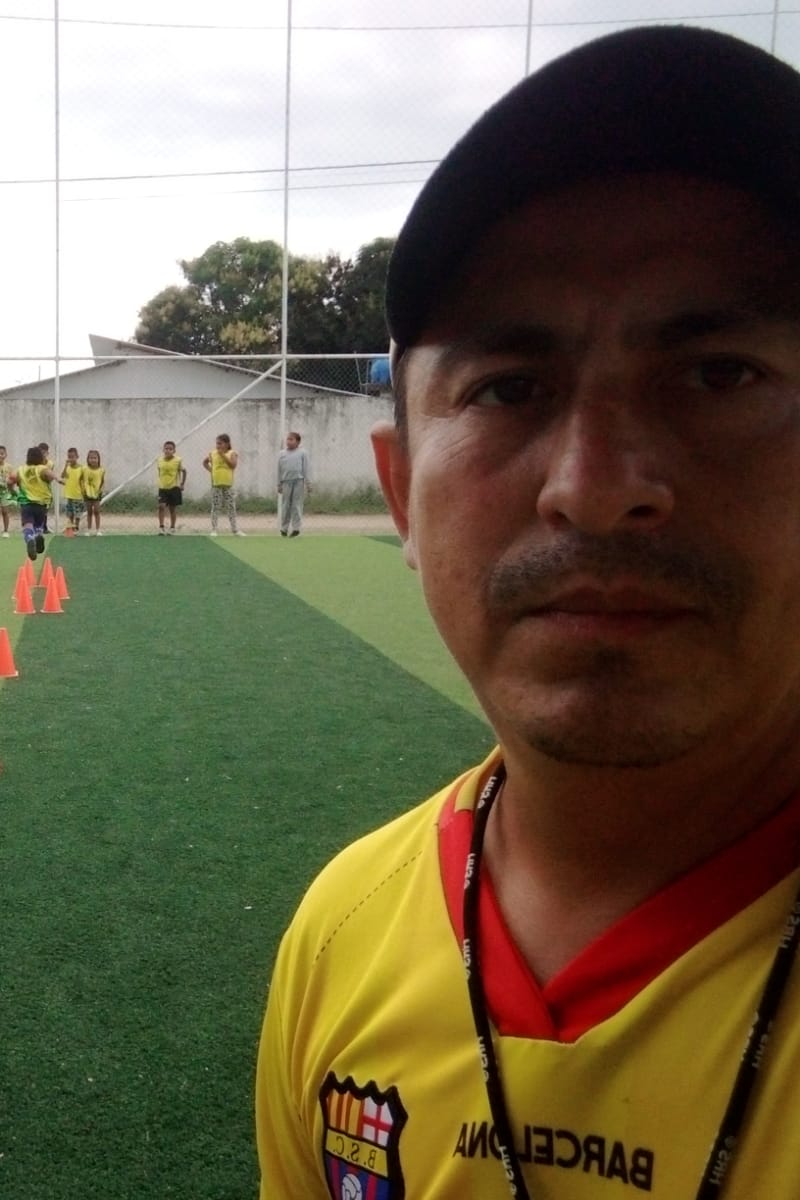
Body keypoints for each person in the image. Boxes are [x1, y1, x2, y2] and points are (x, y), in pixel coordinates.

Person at [256, 26, 800, 1199]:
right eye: (508, 389)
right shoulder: (343, 931)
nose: (594, 488)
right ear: (401, 494)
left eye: (717, 374)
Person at [17, 446, 54, 561]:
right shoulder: (42, 468)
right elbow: (50, 475)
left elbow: (11, 479)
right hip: (41, 503)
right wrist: (57, 479)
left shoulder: (22, 469)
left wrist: (13, 490)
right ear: (41, 458)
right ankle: (39, 535)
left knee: (28, 524)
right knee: (39, 524)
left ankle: (29, 538)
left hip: (26, 503)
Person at [203, 433, 241, 536]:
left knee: (231, 507)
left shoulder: (232, 453)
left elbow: (233, 465)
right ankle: (214, 529)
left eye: (220, 443)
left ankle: (235, 530)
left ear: (227, 444)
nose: (218, 446)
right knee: (216, 506)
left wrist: (222, 455)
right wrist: (212, 471)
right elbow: (205, 462)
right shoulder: (212, 453)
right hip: (216, 484)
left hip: (228, 485)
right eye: (217, 443)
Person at [275, 432, 309, 538]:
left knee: (296, 505)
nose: (288, 442)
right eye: (288, 439)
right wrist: (279, 484)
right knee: (286, 505)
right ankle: (284, 528)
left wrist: (308, 482)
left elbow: (306, 468)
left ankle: (296, 528)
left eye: (291, 439)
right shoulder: (282, 454)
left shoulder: (302, 453)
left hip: (298, 481)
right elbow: (279, 469)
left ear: (298, 442)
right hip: (286, 482)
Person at [155, 440, 185, 534]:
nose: (168, 450)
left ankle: (172, 527)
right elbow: (159, 471)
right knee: (161, 506)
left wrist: (182, 484)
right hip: (163, 488)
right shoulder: (159, 460)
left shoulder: (178, 460)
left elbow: (184, 471)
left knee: (172, 508)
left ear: (174, 451)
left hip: (174, 487)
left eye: (170, 449)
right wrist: (161, 482)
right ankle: (161, 527)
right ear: (163, 450)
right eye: (166, 448)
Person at [60, 447, 86, 534]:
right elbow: (63, 476)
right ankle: (71, 527)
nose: (70, 459)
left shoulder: (81, 468)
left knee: (77, 513)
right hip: (69, 494)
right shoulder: (68, 468)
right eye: (69, 457)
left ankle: (76, 527)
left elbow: (83, 481)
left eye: (72, 457)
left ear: (77, 457)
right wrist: (65, 466)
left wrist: (84, 492)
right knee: (70, 512)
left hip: (77, 495)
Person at [82, 449, 105, 537]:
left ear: (98, 459)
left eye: (95, 458)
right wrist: (84, 490)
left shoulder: (101, 470)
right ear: (88, 459)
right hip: (87, 493)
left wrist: (100, 490)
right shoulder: (85, 469)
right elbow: (82, 480)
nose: (93, 460)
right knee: (89, 512)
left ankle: (98, 530)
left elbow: (102, 481)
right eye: (91, 458)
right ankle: (88, 530)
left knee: (97, 511)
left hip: (97, 493)